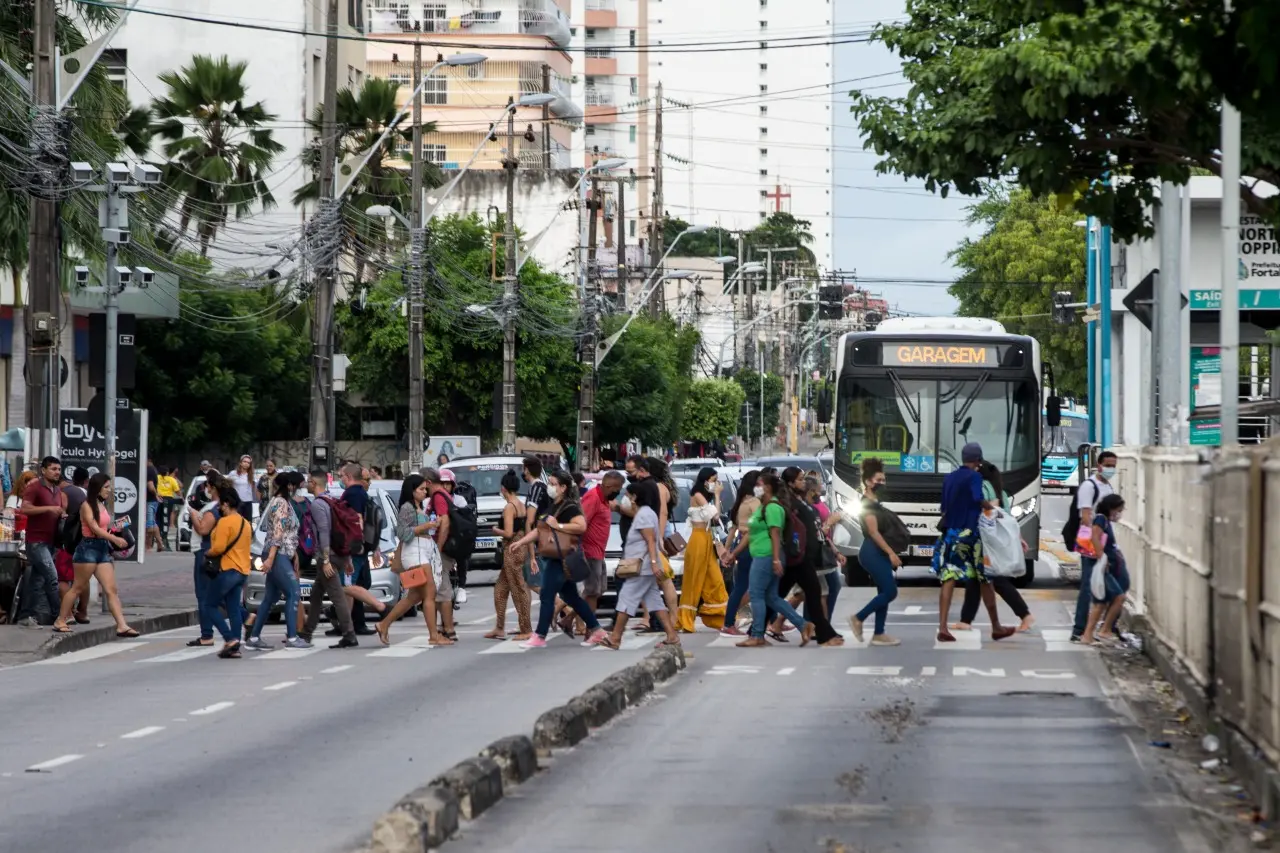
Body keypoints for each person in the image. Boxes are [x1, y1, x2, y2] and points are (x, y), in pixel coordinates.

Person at [510, 469, 609, 649]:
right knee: (573, 598)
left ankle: (540, 635)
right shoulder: (552, 505)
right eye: (550, 483)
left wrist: (559, 525)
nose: (550, 487)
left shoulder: (569, 506)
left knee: (547, 596)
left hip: (561, 558)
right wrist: (522, 542)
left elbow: (581, 526)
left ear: (563, 487)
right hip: (555, 556)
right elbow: (540, 530)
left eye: (554, 484)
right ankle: (597, 630)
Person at [933, 443, 1016, 643]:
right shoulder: (975, 477)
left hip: (951, 533)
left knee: (949, 577)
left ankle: (943, 627)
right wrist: (995, 511)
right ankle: (996, 627)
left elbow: (943, 507)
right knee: (985, 579)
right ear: (978, 461)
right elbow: (978, 499)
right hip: (971, 534)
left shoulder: (949, 478)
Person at [951, 461, 1034, 633]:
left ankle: (1025, 614)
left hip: (983, 541)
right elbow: (1009, 519)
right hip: (994, 541)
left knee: (996, 580)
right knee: (975, 579)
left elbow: (980, 511)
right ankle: (966, 620)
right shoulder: (1000, 491)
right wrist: (1019, 538)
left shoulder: (981, 487)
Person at [731, 472, 812, 648]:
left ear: (767, 487)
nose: (756, 487)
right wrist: (734, 553)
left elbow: (775, 535)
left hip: (766, 556)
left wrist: (775, 560)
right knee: (771, 597)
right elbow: (751, 534)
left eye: (760, 484)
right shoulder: (763, 506)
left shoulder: (773, 507)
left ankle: (758, 635)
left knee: (756, 594)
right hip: (765, 556)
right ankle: (803, 625)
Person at [53, 473, 137, 637]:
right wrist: (113, 538)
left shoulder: (101, 504)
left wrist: (115, 529)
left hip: (102, 549)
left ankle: (122, 625)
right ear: (97, 488)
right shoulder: (86, 505)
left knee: (111, 589)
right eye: (106, 487)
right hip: (87, 549)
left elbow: (103, 527)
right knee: (77, 587)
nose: (109, 490)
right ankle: (60, 620)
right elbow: (94, 528)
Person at [376, 475, 451, 646]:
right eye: (422, 489)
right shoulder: (407, 508)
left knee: (414, 596)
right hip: (414, 552)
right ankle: (433, 635)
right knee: (429, 593)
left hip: (422, 550)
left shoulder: (419, 506)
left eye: (426, 489)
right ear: (412, 490)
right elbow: (402, 533)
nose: (425, 492)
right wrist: (426, 526)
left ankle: (384, 624)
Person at [772, 466, 843, 646]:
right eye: (800, 479)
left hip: (805, 557)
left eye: (803, 479)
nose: (803, 482)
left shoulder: (800, 500)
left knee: (779, 594)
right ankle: (824, 635)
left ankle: (759, 631)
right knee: (811, 594)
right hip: (798, 556)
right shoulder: (788, 503)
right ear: (790, 483)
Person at [601, 480, 676, 648]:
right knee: (655, 602)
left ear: (634, 497)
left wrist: (655, 564)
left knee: (625, 600)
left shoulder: (643, 515)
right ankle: (672, 636)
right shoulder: (645, 513)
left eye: (627, 496)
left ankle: (615, 637)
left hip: (642, 568)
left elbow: (650, 541)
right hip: (646, 567)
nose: (625, 499)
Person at [244, 473, 311, 650]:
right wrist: (272, 558)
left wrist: (293, 553)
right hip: (277, 554)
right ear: (290, 486)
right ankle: (292, 637)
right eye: (297, 485)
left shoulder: (279, 501)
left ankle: (254, 637)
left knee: (270, 597)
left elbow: (282, 533)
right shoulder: (281, 503)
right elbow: (278, 533)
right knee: (293, 592)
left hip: (279, 553)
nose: (299, 489)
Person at [297, 469, 359, 649]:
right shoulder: (332, 500)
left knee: (337, 596)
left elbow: (324, 532)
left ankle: (349, 634)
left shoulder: (317, 504)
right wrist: (346, 559)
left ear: (314, 484)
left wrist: (324, 561)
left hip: (328, 557)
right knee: (316, 594)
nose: (307, 484)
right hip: (339, 554)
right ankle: (307, 632)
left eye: (308, 481)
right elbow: (343, 531)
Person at [850, 458, 905, 646]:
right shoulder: (867, 504)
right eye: (878, 480)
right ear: (868, 482)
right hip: (872, 552)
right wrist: (891, 553)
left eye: (883, 480)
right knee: (890, 591)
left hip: (876, 551)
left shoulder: (875, 501)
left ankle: (879, 633)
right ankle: (858, 618)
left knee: (884, 591)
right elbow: (873, 532)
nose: (882, 483)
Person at [1071, 450, 1118, 643]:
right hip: (1093, 542)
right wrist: (1097, 547)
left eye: (1113, 465)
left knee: (1109, 586)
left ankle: (1101, 627)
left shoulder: (1107, 486)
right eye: (1107, 465)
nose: (1110, 469)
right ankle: (1079, 629)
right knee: (1089, 587)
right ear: (1098, 465)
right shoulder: (1089, 486)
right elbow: (1085, 517)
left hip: (1105, 540)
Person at [675, 467, 728, 632]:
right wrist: (718, 494)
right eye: (713, 480)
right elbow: (715, 516)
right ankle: (685, 620)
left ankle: (722, 618)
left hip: (707, 539)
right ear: (705, 480)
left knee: (716, 578)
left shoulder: (705, 496)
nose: (715, 484)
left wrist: (715, 495)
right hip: (698, 540)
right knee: (693, 580)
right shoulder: (697, 494)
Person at [201, 486, 252, 658]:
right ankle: (234, 647)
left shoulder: (224, 522)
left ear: (227, 503)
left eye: (221, 505)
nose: (220, 508)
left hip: (228, 570)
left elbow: (218, 548)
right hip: (242, 571)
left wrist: (207, 553)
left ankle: (229, 638)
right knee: (234, 609)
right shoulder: (246, 523)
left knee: (209, 605)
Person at [16, 457, 66, 627]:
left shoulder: (57, 490)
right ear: (43, 470)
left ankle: (25, 616)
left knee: (36, 581)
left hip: (51, 541)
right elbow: (25, 508)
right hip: (36, 542)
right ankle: (59, 616)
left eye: (59, 469)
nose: (57, 472)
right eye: (53, 469)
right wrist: (49, 509)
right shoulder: (35, 486)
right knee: (52, 578)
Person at [572, 470, 621, 635]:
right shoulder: (593, 497)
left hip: (599, 551)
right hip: (590, 551)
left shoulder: (604, 499)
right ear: (608, 485)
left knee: (599, 590)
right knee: (592, 592)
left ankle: (568, 619)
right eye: (616, 488)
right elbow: (581, 522)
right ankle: (590, 631)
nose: (617, 492)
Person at [485, 469, 532, 640]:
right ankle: (499, 626)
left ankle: (526, 628)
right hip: (520, 549)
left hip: (512, 550)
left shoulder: (509, 507)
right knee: (500, 590)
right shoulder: (521, 504)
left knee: (518, 590)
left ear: (504, 488)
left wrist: (496, 529)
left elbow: (508, 532)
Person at [1079, 493, 1130, 645]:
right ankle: (1104, 630)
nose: (1119, 514)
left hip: (1104, 566)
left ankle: (1088, 636)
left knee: (1100, 603)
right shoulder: (1101, 518)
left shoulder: (1105, 520)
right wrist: (1102, 557)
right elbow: (1095, 536)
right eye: (1118, 510)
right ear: (1111, 508)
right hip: (1101, 567)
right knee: (1118, 597)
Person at [718, 469, 761, 637]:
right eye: (760, 483)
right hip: (750, 547)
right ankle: (733, 623)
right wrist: (731, 552)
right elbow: (750, 532)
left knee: (742, 587)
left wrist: (728, 550)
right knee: (755, 587)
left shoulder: (740, 502)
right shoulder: (754, 503)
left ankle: (730, 622)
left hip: (742, 546)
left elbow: (733, 529)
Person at [420, 468, 460, 640]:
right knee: (438, 587)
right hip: (439, 548)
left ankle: (449, 629)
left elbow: (444, 522)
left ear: (428, 482)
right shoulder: (441, 495)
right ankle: (444, 627)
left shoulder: (438, 496)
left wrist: (438, 547)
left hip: (441, 550)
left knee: (443, 587)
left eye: (422, 483)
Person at [187, 472, 225, 647]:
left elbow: (203, 529)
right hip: (212, 551)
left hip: (205, 552)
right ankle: (247, 618)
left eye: (208, 487)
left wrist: (193, 515)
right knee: (221, 596)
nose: (206, 490)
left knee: (204, 595)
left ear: (213, 488)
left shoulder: (214, 508)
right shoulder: (221, 506)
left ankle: (207, 634)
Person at [57, 467, 90, 625]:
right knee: (83, 579)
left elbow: (61, 516)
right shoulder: (83, 493)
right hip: (84, 542)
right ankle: (82, 612)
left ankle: (68, 613)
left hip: (66, 542)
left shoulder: (61, 493)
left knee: (63, 578)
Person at [521, 456, 550, 593]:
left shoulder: (535, 489)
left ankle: (564, 607)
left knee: (534, 581)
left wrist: (531, 553)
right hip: (546, 540)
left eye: (524, 468)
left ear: (527, 470)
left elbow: (530, 521)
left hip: (539, 542)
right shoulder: (543, 487)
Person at [157, 465, 182, 549]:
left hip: (158, 499)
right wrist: (182, 498)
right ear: (167, 472)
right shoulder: (171, 479)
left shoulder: (157, 478)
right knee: (165, 519)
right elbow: (178, 491)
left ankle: (158, 537)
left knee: (158, 519)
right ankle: (164, 538)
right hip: (168, 500)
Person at [144, 458, 163, 553]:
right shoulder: (154, 469)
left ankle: (148, 546)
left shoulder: (149, 470)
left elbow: (150, 485)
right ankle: (160, 543)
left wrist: (156, 494)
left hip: (150, 500)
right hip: (153, 500)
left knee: (149, 524)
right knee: (153, 522)